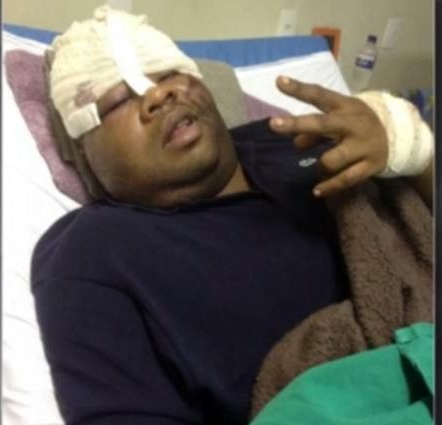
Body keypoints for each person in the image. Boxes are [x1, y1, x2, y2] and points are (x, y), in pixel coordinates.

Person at [32, 5, 433, 425]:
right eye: (118, 100)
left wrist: (411, 151)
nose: (157, 94)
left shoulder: (291, 136)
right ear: (87, 158)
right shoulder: (95, 250)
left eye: (167, 74)